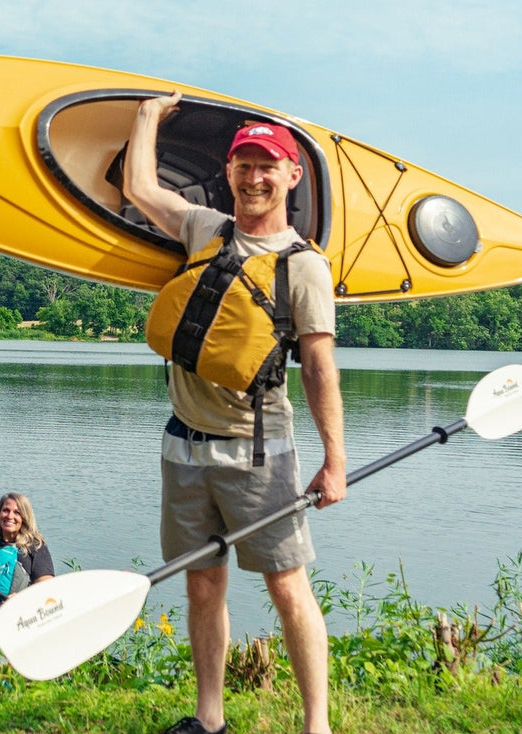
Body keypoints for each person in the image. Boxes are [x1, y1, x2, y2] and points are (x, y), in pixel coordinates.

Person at [123, 92, 346, 734]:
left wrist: (335, 461)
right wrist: (147, 116)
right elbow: (140, 188)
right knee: (201, 585)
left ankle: (316, 726)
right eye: (244, 165)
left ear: (291, 175)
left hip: (257, 450)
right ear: (229, 172)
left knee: (286, 587)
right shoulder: (203, 228)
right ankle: (210, 720)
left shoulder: (304, 267)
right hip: (183, 446)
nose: (254, 178)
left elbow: (321, 368)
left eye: (267, 166)